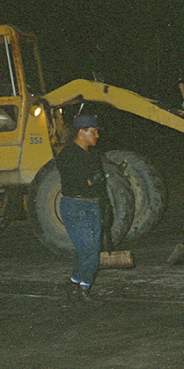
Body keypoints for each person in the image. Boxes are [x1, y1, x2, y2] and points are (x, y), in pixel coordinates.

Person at [55, 114, 106, 305]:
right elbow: (78, 182)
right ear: (81, 132)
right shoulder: (68, 155)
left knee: (88, 250)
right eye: (93, 131)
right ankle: (84, 288)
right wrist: (93, 179)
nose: (97, 135)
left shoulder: (91, 155)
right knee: (90, 251)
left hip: (92, 205)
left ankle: (74, 284)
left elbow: (94, 182)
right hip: (76, 206)